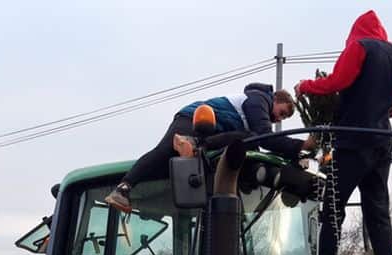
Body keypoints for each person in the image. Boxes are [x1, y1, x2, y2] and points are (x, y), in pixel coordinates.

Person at [297, 10, 392, 255]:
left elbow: (338, 81)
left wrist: (305, 87)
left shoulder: (359, 47)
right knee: (377, 207)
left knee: (333, 206)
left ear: (354, 33)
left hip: (354, 138)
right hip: (383, 139)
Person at [105, 84, 314, 213]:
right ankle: (123, 188)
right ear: (275, 99)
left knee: (247, 144)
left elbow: (261, 142)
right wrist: (301, 145)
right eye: (282, 112)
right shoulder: (258, 101)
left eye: (284, 117)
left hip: (211, 132)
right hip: (192, 119)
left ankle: (195, 145)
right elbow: (267, 137)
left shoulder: (253, 114)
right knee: (163, 153)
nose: (279, 118)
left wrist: (296, 156)